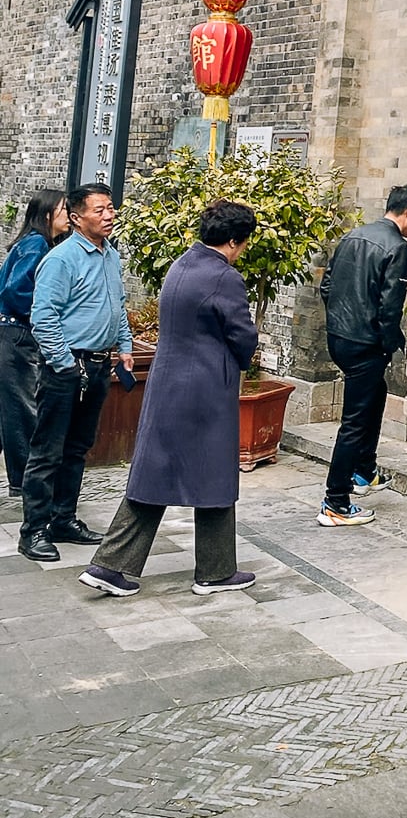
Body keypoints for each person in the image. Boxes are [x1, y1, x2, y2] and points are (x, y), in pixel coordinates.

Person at [80, 199, 259, 598]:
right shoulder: (223, 277)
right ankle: (212, 572)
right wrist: (247, 354)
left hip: (168, 382)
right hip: (205, 389)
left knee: (156, 472)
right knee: (214, 473)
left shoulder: (182, 264)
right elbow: (241, 334)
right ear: (233, 240)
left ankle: (112, 566)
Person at [20, 182, 131, 562]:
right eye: (99, 210)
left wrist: (126, 347)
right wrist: (64, 363)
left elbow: (118, 304)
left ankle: (63, 519)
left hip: (99, 365)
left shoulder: (110, 256)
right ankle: (33, 530)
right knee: (48, 450)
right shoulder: (61, 259)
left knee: (78, 449)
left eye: (111, 207)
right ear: (76, 217)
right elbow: (43, 316)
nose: (109, 215)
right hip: (66, 367)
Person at [317, 182, 407, 527]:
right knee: (354, 421)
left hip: (339, 338)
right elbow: (389, 306)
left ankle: (365, 471)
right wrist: (388, 342)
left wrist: (339, 320)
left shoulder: (354, 236)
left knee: (374, 396)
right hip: (365, 343)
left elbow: (326, 286)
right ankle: (335, 500)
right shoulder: (397, 246)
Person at [0, 190, 71, 497]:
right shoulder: (36, 245)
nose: (68, 216)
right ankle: (26, 483)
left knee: (9, 408)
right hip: (18, 336)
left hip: (10, 335)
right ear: (47, 216)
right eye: (64, 210)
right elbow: (15, 292)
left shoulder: (35, 244)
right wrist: (49, 311)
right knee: (24, 407)